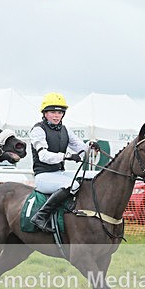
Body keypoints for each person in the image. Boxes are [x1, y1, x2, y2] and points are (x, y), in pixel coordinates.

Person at [29, 92, 96, 232]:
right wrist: (67, 156)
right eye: (53, 112)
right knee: (73, 184)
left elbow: (80, 148)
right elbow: (43, 156)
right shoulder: (38, 130)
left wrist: (91, 147)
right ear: (45, 113)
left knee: (92, 176)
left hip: (59, 173)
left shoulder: (65, 129)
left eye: (60, 112)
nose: (56, 115)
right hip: (43, 176)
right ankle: (40, 216)